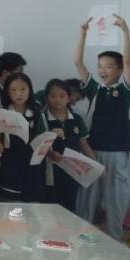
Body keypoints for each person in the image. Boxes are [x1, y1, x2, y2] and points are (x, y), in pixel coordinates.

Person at [73, 14, 130, 239]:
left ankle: (116, 240)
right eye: (100, 66)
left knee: (116, 198)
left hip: (118, 151)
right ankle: (83, 237)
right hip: (94, 150)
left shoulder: (125, 90)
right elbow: (78, 62)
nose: (103, 70)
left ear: (119, 70)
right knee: (88, 197)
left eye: (109, 67)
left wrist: (125, 32)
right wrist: (82, 34)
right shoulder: (94, 89)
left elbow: (128, 62)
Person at [41, 79, 96, 213]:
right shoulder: (42, 118)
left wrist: (96, 166)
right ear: (46, 98)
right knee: (51, 209)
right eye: (53, 96)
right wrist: (51, 153)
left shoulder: (76, 119)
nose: (57, 100)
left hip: (73, 172)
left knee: (69, 208)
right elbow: (38, 145)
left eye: (62, 96)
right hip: (50, 173)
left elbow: (84, 144)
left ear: (68, 98)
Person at [0, 72, 44, 201]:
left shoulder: (36, 112)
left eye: (23, 89)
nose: (19, 94)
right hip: (9, 163)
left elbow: (42, 136)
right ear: (7, 91)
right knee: (9, 201)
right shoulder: (2, 111)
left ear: (30, 90)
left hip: (32, 164)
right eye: (13, 90)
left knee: (30, 203)